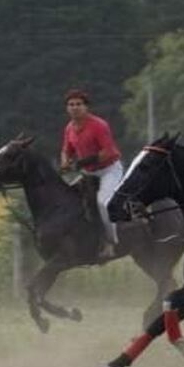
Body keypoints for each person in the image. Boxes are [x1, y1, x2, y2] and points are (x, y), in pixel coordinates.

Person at [59, 88, 124, 260]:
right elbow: (66, 150)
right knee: (66, 197)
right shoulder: (69, 128)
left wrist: (81, 162)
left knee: (103, 203)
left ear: (86, 107)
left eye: (79, 104)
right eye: (71, 105)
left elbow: (108, 152)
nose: (74, 108)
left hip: (109, 170)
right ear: (67, 108)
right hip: (89, 174)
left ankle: (111, 244)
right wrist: (65, 162)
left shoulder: (99, 125)